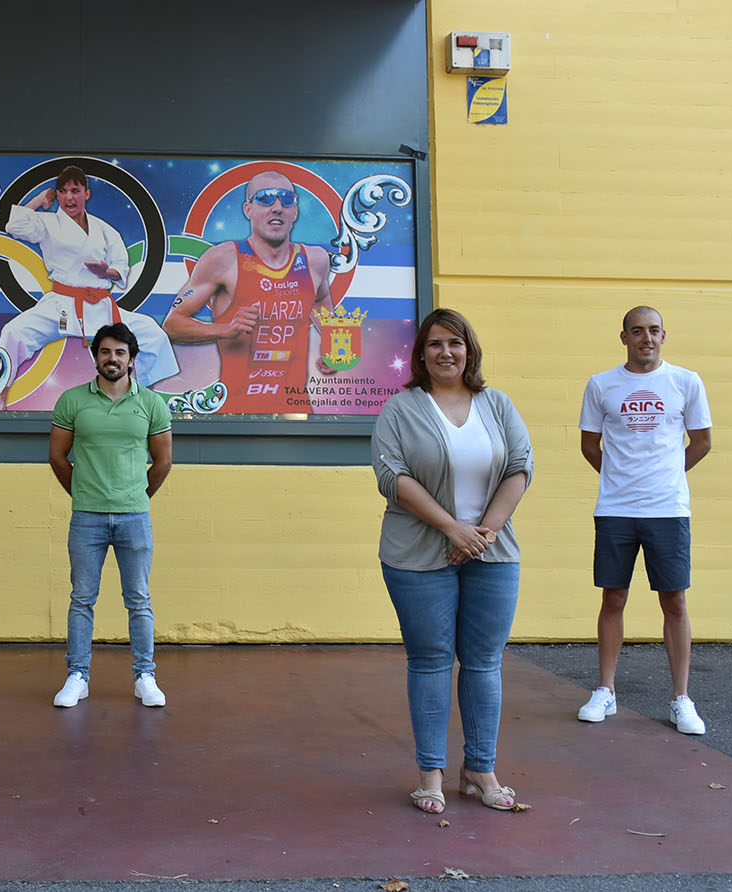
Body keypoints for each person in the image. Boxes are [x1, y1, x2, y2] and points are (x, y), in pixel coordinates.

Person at [371, 308, 532, 814]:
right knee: (431, 662)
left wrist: (483, 533)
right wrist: (452, 528)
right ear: (421, 354)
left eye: (456, 343)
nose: (447, 352)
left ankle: (479, 770)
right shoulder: (400, 409)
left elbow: (520, 467)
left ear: (469, 351)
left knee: (484, 664)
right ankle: (431, 775)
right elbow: (391, 476)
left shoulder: (497, 404)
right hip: (418, 556)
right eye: (436, 344)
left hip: (492, 552)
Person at [576, 306, 712, 735]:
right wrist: (621, 479)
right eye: (637, 332)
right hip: (615, 510)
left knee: (674, 601)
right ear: (624, 338)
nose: (645, 339)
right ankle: (606, 691)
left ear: (664, 336)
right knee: (612, 598)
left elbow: (702, 442)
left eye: (653, 331)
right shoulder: (601, 385)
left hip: (668, 510)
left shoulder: (685, 382)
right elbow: (589, 445)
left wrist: (665, 476)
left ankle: (681, 699)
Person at [48, 322, 173, 708]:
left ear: (132, 360)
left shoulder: (152, 403)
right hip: (87, 517)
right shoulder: (72, 400)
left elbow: (163, 461)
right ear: (96, 358)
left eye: (120, 352)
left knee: (138, 599)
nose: (112, 358)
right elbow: (57, 457)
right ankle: (77, 676)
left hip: (135, 517)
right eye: (105, 352)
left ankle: (145, 676)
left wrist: (136, 495)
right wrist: (85, 492)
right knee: (82, 598)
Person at [162, 170, 349, 413]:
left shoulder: (315, 260)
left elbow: (321, 299)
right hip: (236, 412)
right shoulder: (223, 259)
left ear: (295, 211)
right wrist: (226, 330)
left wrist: (333, 347)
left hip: (295, 412)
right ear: (248, 209)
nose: (277, 207)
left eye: (286, 199)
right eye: (266, 198)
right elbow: (172, 324)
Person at [0, 166, 178, 401]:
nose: (68, 197)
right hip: (60, 305)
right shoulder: (48, 223)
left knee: (153, 334)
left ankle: (145, 395)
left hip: (99, 305)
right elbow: (14, 227)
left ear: (87, 194)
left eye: (75, 190)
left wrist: (107, 272)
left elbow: (120, 268)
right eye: (62, 191)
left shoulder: (104, 230)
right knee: (13, 331)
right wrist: (39, 200)